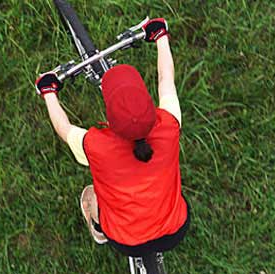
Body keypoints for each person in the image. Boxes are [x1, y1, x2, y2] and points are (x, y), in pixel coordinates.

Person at [35, 18, 189, 257]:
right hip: (175, 231)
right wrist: (160, 37)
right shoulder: (169, 125)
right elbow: (165, 79)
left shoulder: (96, 146)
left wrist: (48, 91)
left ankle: (97, 226)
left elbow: (63, 128)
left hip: (126, 240)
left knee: (94, 192)